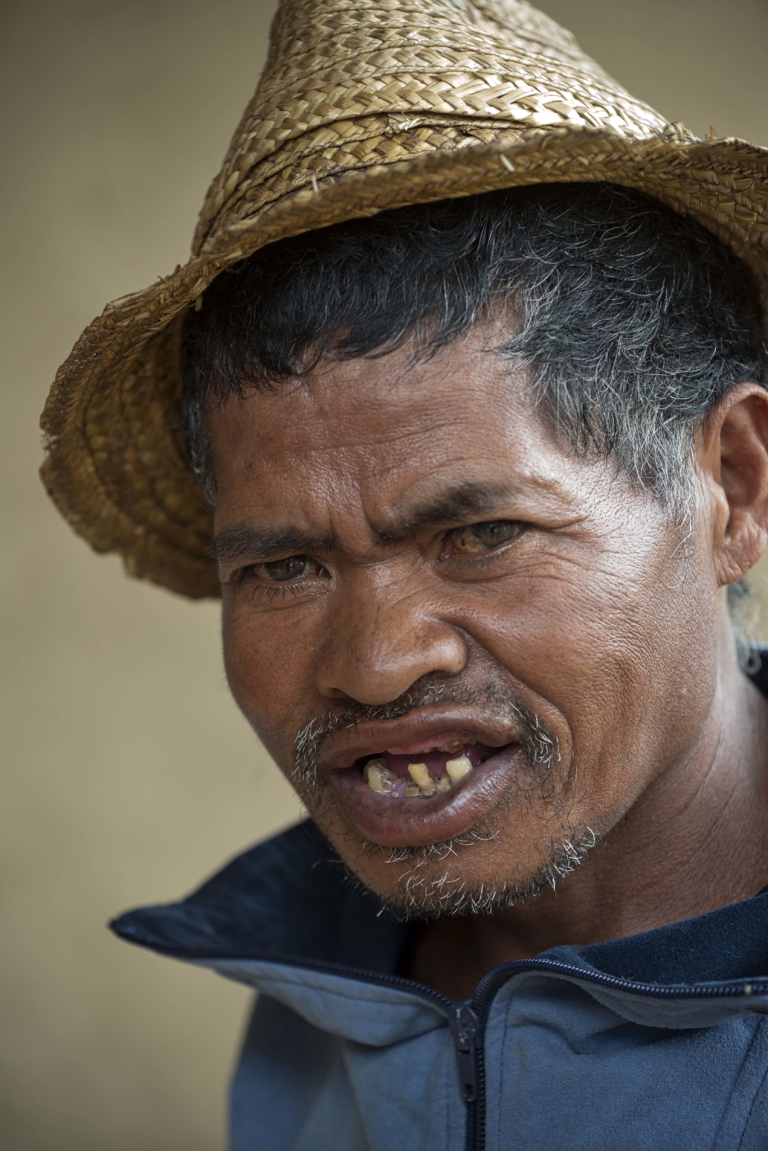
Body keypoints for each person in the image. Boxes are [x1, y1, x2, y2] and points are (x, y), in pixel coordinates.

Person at [41, 0, 768, 1147]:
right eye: (286, 564)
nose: (376, 665)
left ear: (733, 485)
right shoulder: (317, 990)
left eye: (480, 534)